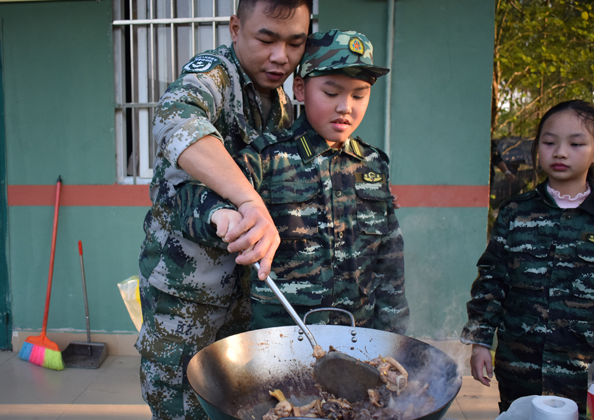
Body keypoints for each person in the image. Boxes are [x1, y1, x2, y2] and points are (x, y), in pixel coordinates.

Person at [136, 0, 311, 419]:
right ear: (235, 28)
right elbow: (175, 119)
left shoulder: (281, 105)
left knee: (236, 406)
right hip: (186, 298)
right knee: (183, 408)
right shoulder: (214, 73)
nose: (280, 56)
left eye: (295, 43)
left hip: (244, 295)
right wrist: (249, 200)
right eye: (266, 38)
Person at [175, 29, 409, 333]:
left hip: (358, 339)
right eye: (331, 92)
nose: (345, 107)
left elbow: (389, 262)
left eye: (359, 94)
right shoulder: (268, 158)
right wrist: (219, 214)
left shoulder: (373, 165)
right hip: (282, 341)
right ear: (300, 88)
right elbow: (188, 198)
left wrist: (395, 340)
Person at [461, 99, 594, 419]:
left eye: (576, 143)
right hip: (520, 363)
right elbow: (491, 281)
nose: (560, 152)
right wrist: (480, 342)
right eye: (549, 142)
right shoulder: (516, 213)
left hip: (581, 369)